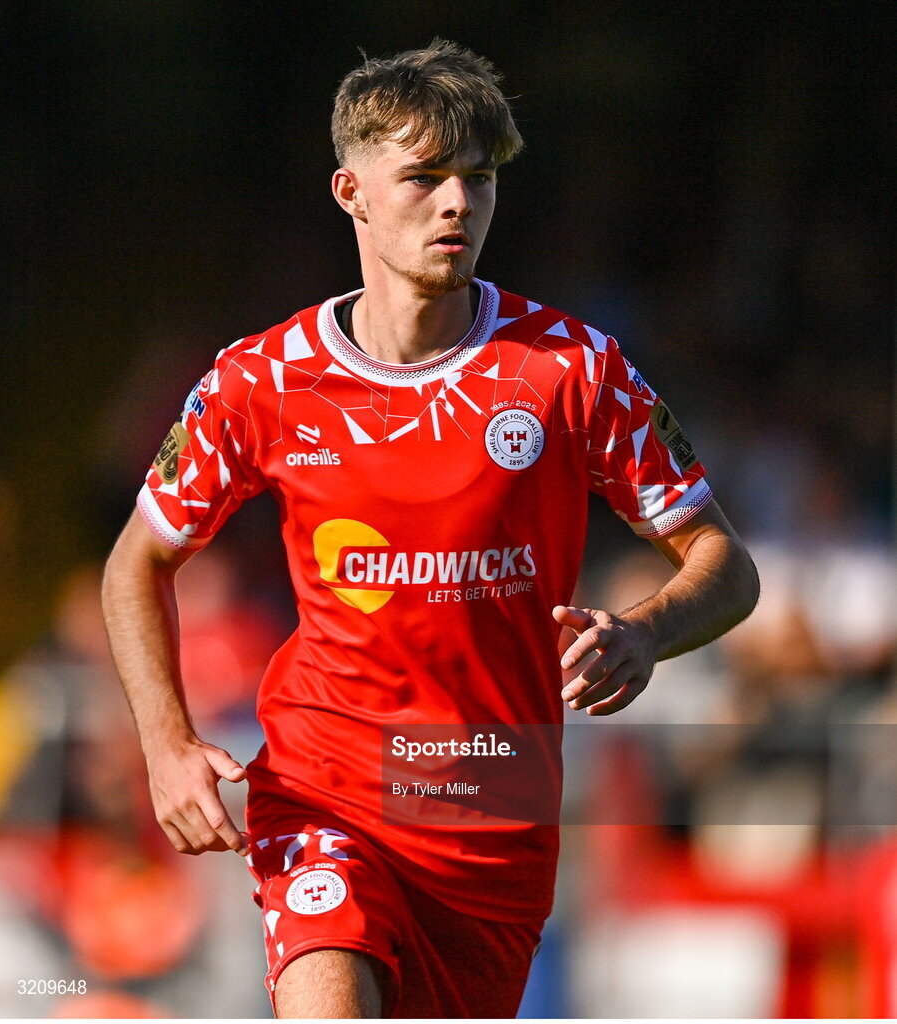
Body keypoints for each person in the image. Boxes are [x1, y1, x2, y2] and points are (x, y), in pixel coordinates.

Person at [101, 39, 760, 1018]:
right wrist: (167, 744)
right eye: (425, 177)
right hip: (323, 785)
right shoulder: (264, 381)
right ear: (351, 191)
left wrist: (647, 630)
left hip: (494, 812)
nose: (458, 203)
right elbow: (137, 562)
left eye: (479, 179)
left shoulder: (569, 370)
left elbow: (726, 563)